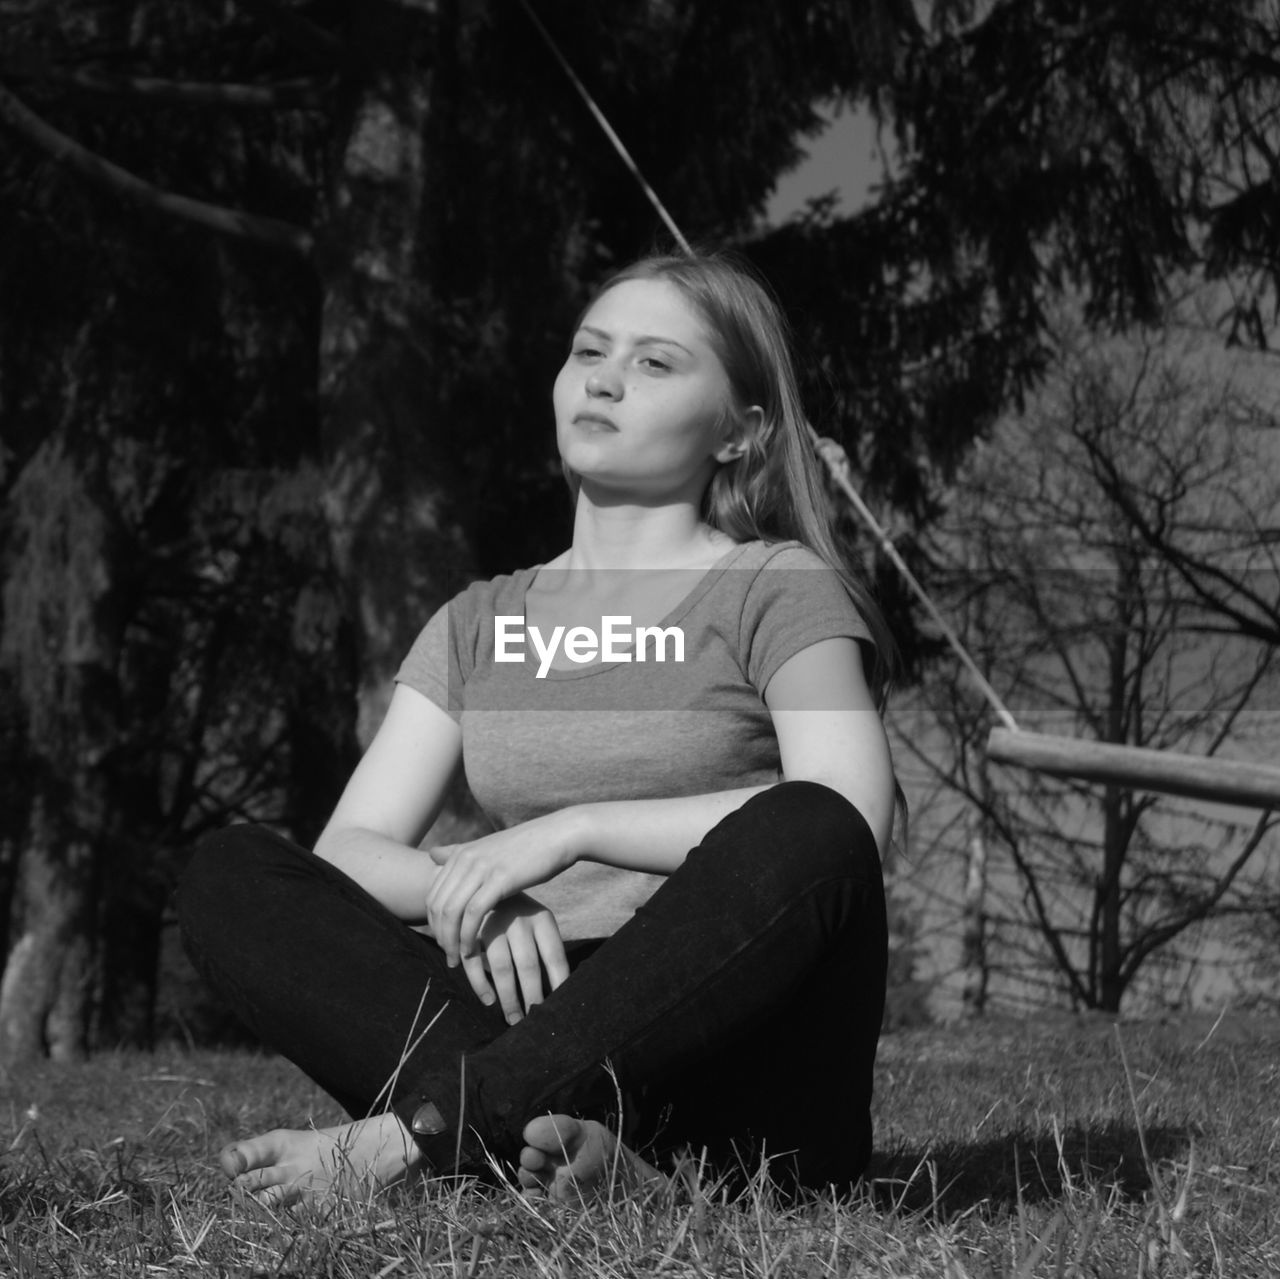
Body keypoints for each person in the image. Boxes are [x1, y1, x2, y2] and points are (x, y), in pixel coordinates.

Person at [177, 251, 898, 1208]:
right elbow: (348, 851)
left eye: (654, 363)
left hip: (739, 1060)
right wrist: (478, 891)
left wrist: (566, 831)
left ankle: (428, 1135)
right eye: (588, 350)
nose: (603, 377)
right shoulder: (480, 622)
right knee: (229, 874)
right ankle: (566, 1151)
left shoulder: (775, 585)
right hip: (526, 1015)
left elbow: (851, 814)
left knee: (808, 824)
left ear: (739, 431)